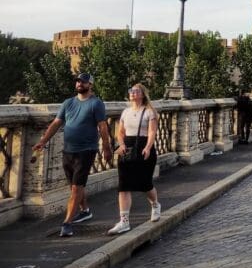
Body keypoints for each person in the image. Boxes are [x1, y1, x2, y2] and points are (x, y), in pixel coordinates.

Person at [33, 73, 113, 238]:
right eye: (77, 81)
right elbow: (56, 123)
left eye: (83, 82)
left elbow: (102, 126)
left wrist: (106, 147)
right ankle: (85, 211)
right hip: (69, 150)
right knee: (74, 186)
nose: (79, 84)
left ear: (90, 84)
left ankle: (67, 223)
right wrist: (43, 141)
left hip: (86, 150)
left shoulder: (96, 104)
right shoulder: (68, 103)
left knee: (76, 187)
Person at [108, 84, 161, 235]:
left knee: (145, 184)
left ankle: (155, 205)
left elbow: (152, 132)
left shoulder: (149, 112)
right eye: (131, 91)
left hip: (143, 146)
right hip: (127, 148)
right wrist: (122, 144)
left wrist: (148, 147)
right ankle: (124, 221)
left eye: (136, 91)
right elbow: (121, 132)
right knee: (123, 185)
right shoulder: (126, 112)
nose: (132, 93)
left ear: (142, 94)